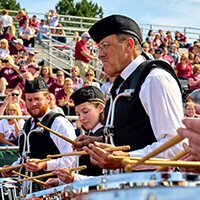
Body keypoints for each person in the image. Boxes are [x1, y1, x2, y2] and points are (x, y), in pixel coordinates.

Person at [80, 14, 184, 170]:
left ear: (128, 44)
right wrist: (99, 141)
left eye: (105, 45)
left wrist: (126, 159)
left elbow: (177, 146)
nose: (100, 54)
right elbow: (137, 134)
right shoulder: (122, 83)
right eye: (99, 48)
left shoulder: (155, 79)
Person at [1, 77, 76, 187]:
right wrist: (13, 167)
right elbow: (25, 157)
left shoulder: (59, 123)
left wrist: (45, 164)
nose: (33, 103)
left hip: (53, 189)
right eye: (29, 100)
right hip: (29, 189)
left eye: (37, 99)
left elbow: (72, 159)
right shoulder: (28, 124)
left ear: (48, 98)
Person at [46, 86, 105, 186]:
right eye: (78, 113)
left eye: (85, 111)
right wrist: (60, 181)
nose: (81, 118)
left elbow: (106, 180)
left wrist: (73, 178)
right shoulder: (90, 135)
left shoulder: (107, 137)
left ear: (100, 108)